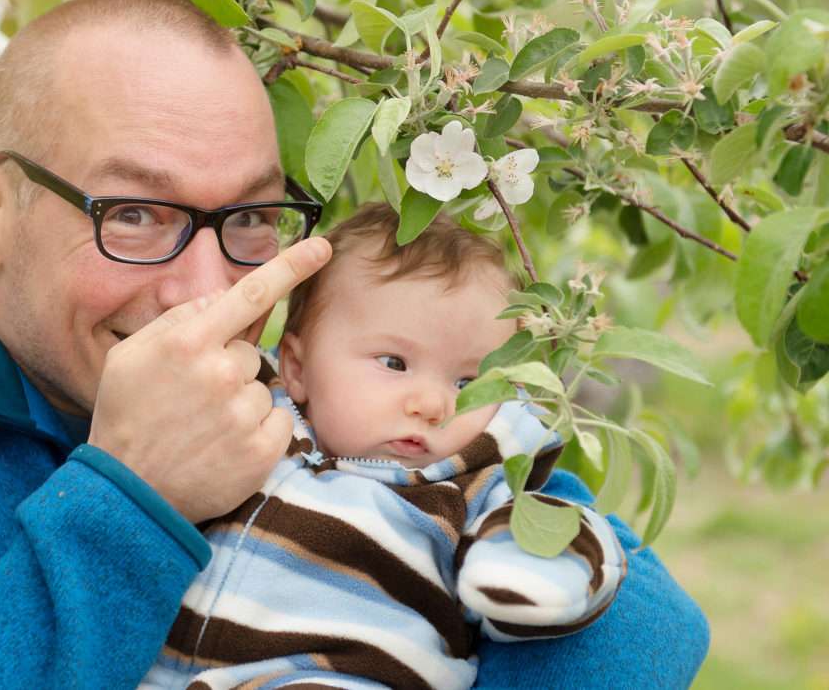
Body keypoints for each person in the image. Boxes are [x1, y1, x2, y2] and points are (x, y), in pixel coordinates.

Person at [0, 0, 708, 689]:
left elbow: (649, 624)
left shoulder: (295, 392)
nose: (207, 294)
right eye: (135, 212)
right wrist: (132, 500)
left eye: (249, 218)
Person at [141, 204, 627, 690]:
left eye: (469, 381)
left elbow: (555, 528)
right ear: (297, 367)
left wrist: (530, 571)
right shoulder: (251, 415)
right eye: (394, 363)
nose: (433, 403)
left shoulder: (467, 484)